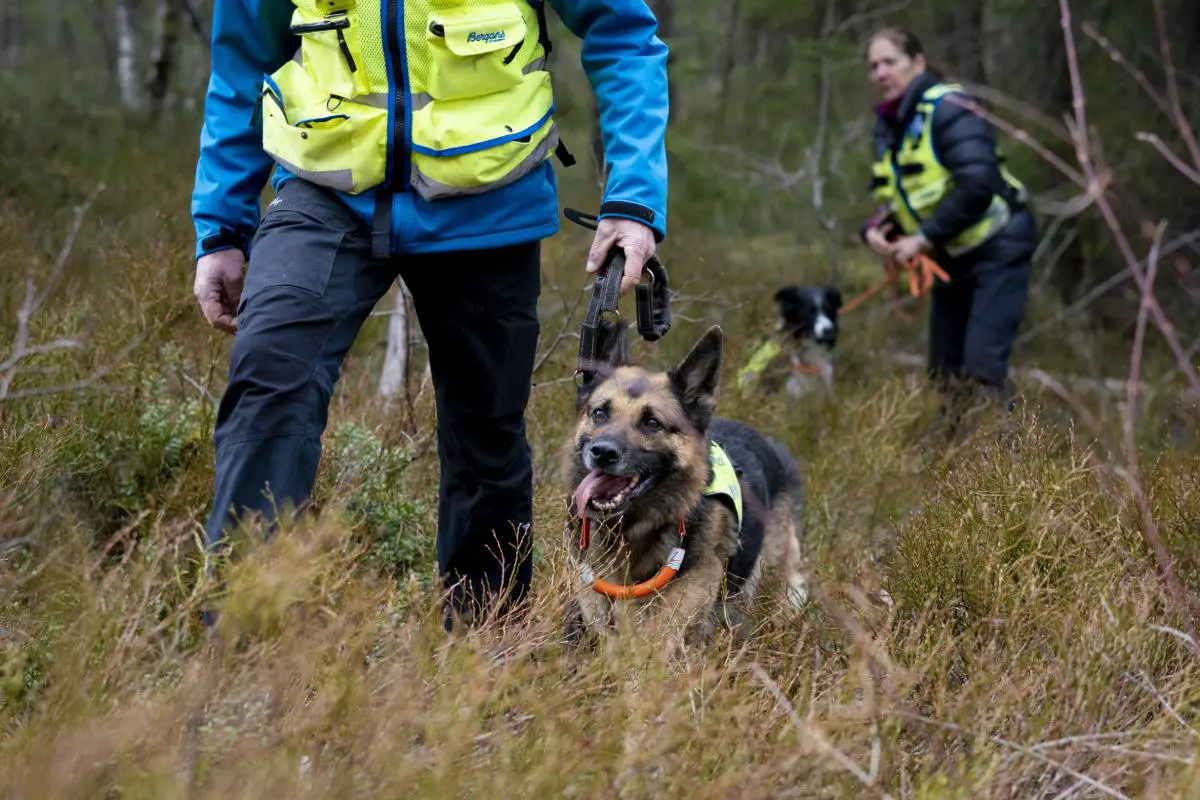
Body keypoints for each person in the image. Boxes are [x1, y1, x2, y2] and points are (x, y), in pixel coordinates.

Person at [190, 0, 670, 629]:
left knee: (485, 435)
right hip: (323, 191)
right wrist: (223, 225)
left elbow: (623, 32)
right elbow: (244, 59)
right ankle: (240, 650)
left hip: (488, 201)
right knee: (268, 384)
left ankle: (484, 647)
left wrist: (632, 198)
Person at [858, 28, 1038, 435]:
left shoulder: (949, 107)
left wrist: (922, 239)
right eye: (873, 66)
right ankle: (952, 460)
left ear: (917, 63)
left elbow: (979, 183)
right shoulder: (891, 123)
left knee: (982, 366)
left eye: (890, 61)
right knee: (943, 370)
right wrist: (874, 230)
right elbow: (896, 197)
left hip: (998, 248)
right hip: (950, 254)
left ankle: (1008, 467)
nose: (881, 72)